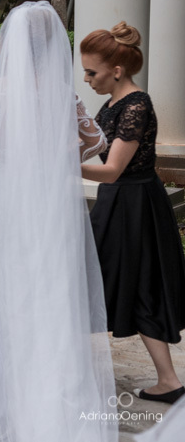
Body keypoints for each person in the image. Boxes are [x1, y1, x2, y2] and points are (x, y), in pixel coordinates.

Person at [0, 2, 116, 441]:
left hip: (3, 207)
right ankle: (50, 395)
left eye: (3, 31)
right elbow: (97, 141)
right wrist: (54, 158)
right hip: (49, 206)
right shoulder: (64, 94)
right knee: (47, 294)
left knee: (0, 293)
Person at [81, 23, 185, 404]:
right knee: (105, 281)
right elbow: (94, 148)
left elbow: (111, 170)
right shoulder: (111, 104)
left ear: (118, 71)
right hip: (120, 203)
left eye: (92, 72)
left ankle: (169, 381)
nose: (87, 79)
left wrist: (60, 164)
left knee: (133, 284)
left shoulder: (137, 105)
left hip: (136, 205)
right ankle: (168, 380)